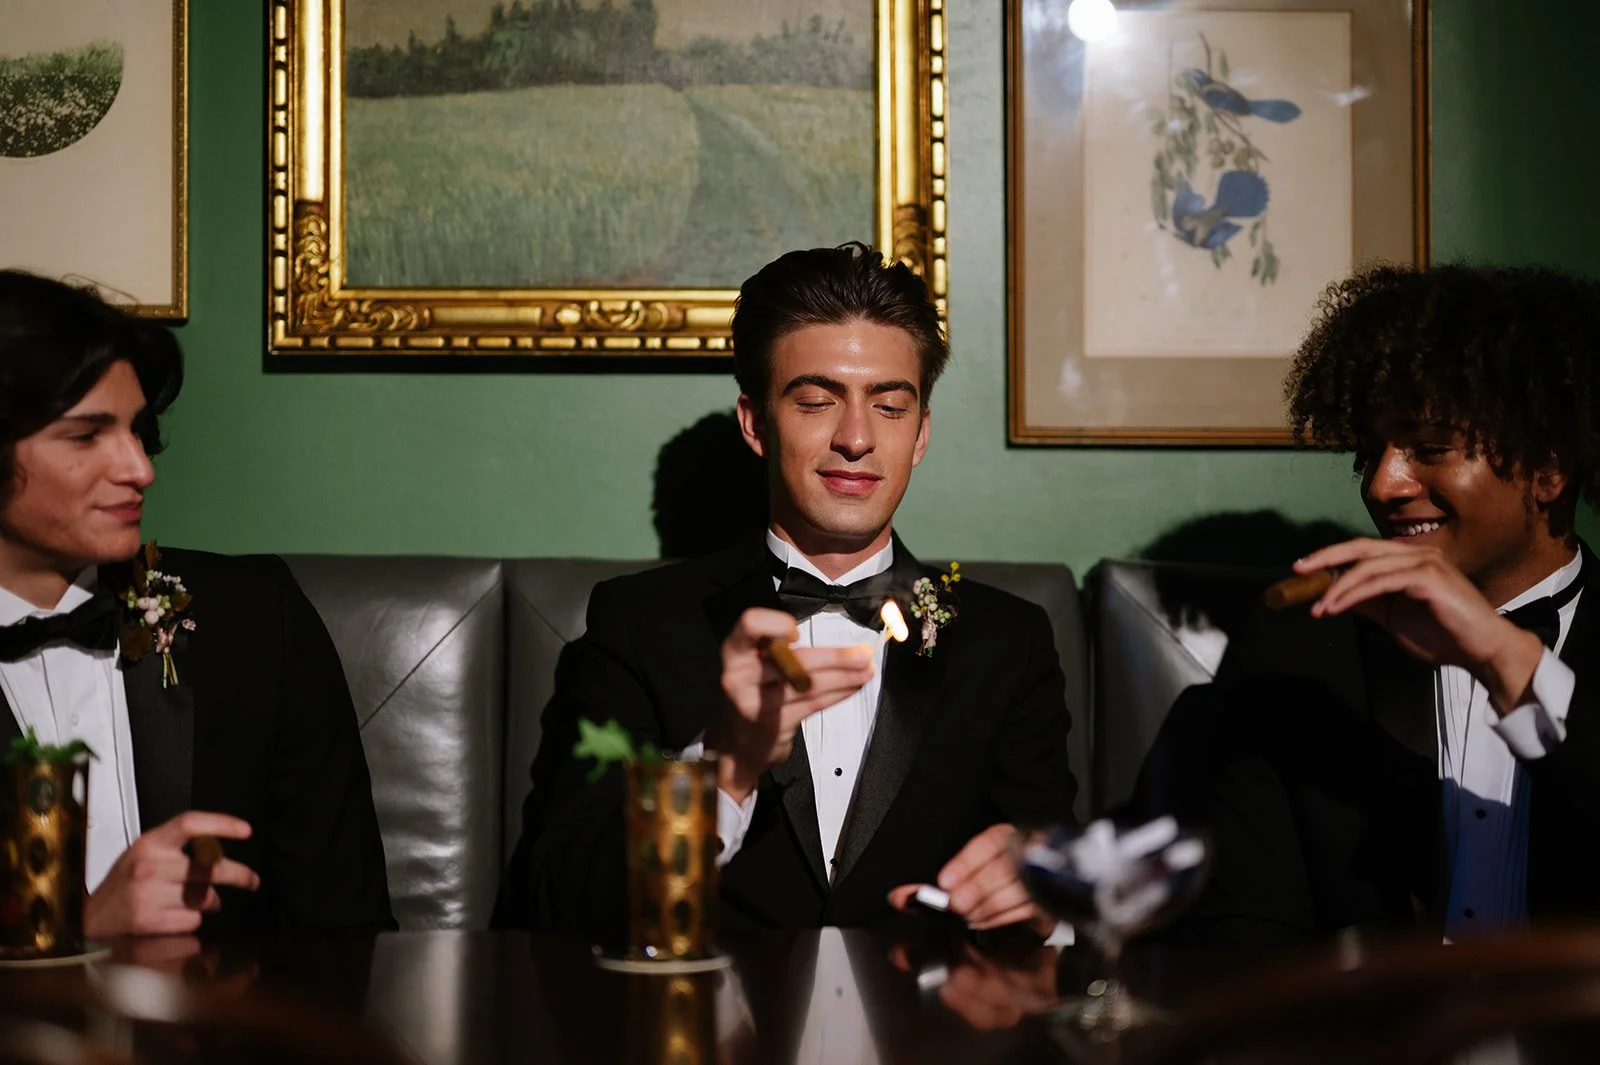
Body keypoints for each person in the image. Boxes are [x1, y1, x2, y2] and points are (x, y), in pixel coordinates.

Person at [499, 243, 1076, 937]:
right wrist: (726, 766)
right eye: (815, 400)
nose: (857, 438)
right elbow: (555, 900)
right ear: (756, 423)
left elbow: (1063, 891)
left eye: (890, 405)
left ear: (921, 433)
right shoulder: (638, 625)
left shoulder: (1006, 641)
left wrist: (1043, 891)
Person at [1146, 263, 1600, 942]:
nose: (1384, 483)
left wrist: (1507, 658)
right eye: (1369, 452)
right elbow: (1245, 936)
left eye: (1431, 448)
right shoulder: (1297, 649)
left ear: (1548, 468)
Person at [0, 271, 393, 938]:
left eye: (136, 428)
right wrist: (79, 929)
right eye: (86, 435)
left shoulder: (255, 623)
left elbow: (346, 935)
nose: (140, 468)